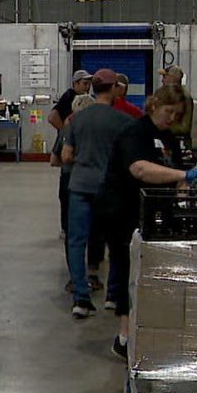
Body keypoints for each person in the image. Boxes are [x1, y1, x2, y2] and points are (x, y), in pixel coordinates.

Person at [97, 85, 197, 358]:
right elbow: (140, 169)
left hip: (154, 212)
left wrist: (183, 192)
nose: (171, 118)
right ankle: (124, 337)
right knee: (128, 269)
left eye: (177, 114)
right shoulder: (135, 132)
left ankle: (148, 330)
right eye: (169, 111)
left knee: (150, 272)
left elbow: (176, 175)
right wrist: (182, 174)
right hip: (123, 211)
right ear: (154, 105)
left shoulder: (168, 138)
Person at [60, 69, 134, 319]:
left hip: (80, 186)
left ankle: (81, 298)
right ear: (114, 89)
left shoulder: (76, 120)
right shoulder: (123, 121)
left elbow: (65, 156)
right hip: (111, 189)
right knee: (116, 243)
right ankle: (113, 296)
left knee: (76, 241)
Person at [52, 94, 104, 295]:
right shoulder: (101, 133)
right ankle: (93, 272)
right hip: (97, 183)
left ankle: (76, 277)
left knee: (72, 232)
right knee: (96, 229)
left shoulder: (68, 130)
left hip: (70, 182)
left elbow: (55, 159)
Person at [50, 69, 93, 238]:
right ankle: (67, 228)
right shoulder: (69, 97)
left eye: (89, 83)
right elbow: (52, 116)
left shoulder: (87, 100)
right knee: (67, 195)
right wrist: (66, 133)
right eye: (84, 83)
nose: (87, 86)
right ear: (75, 84)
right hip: (72, 156)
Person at [161, 65, 194, 139]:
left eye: (165, 77)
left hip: (178, 142)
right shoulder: (163, 96)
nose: (162, 80)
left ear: (173, 78)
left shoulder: (185, 98)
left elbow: (185, 127)